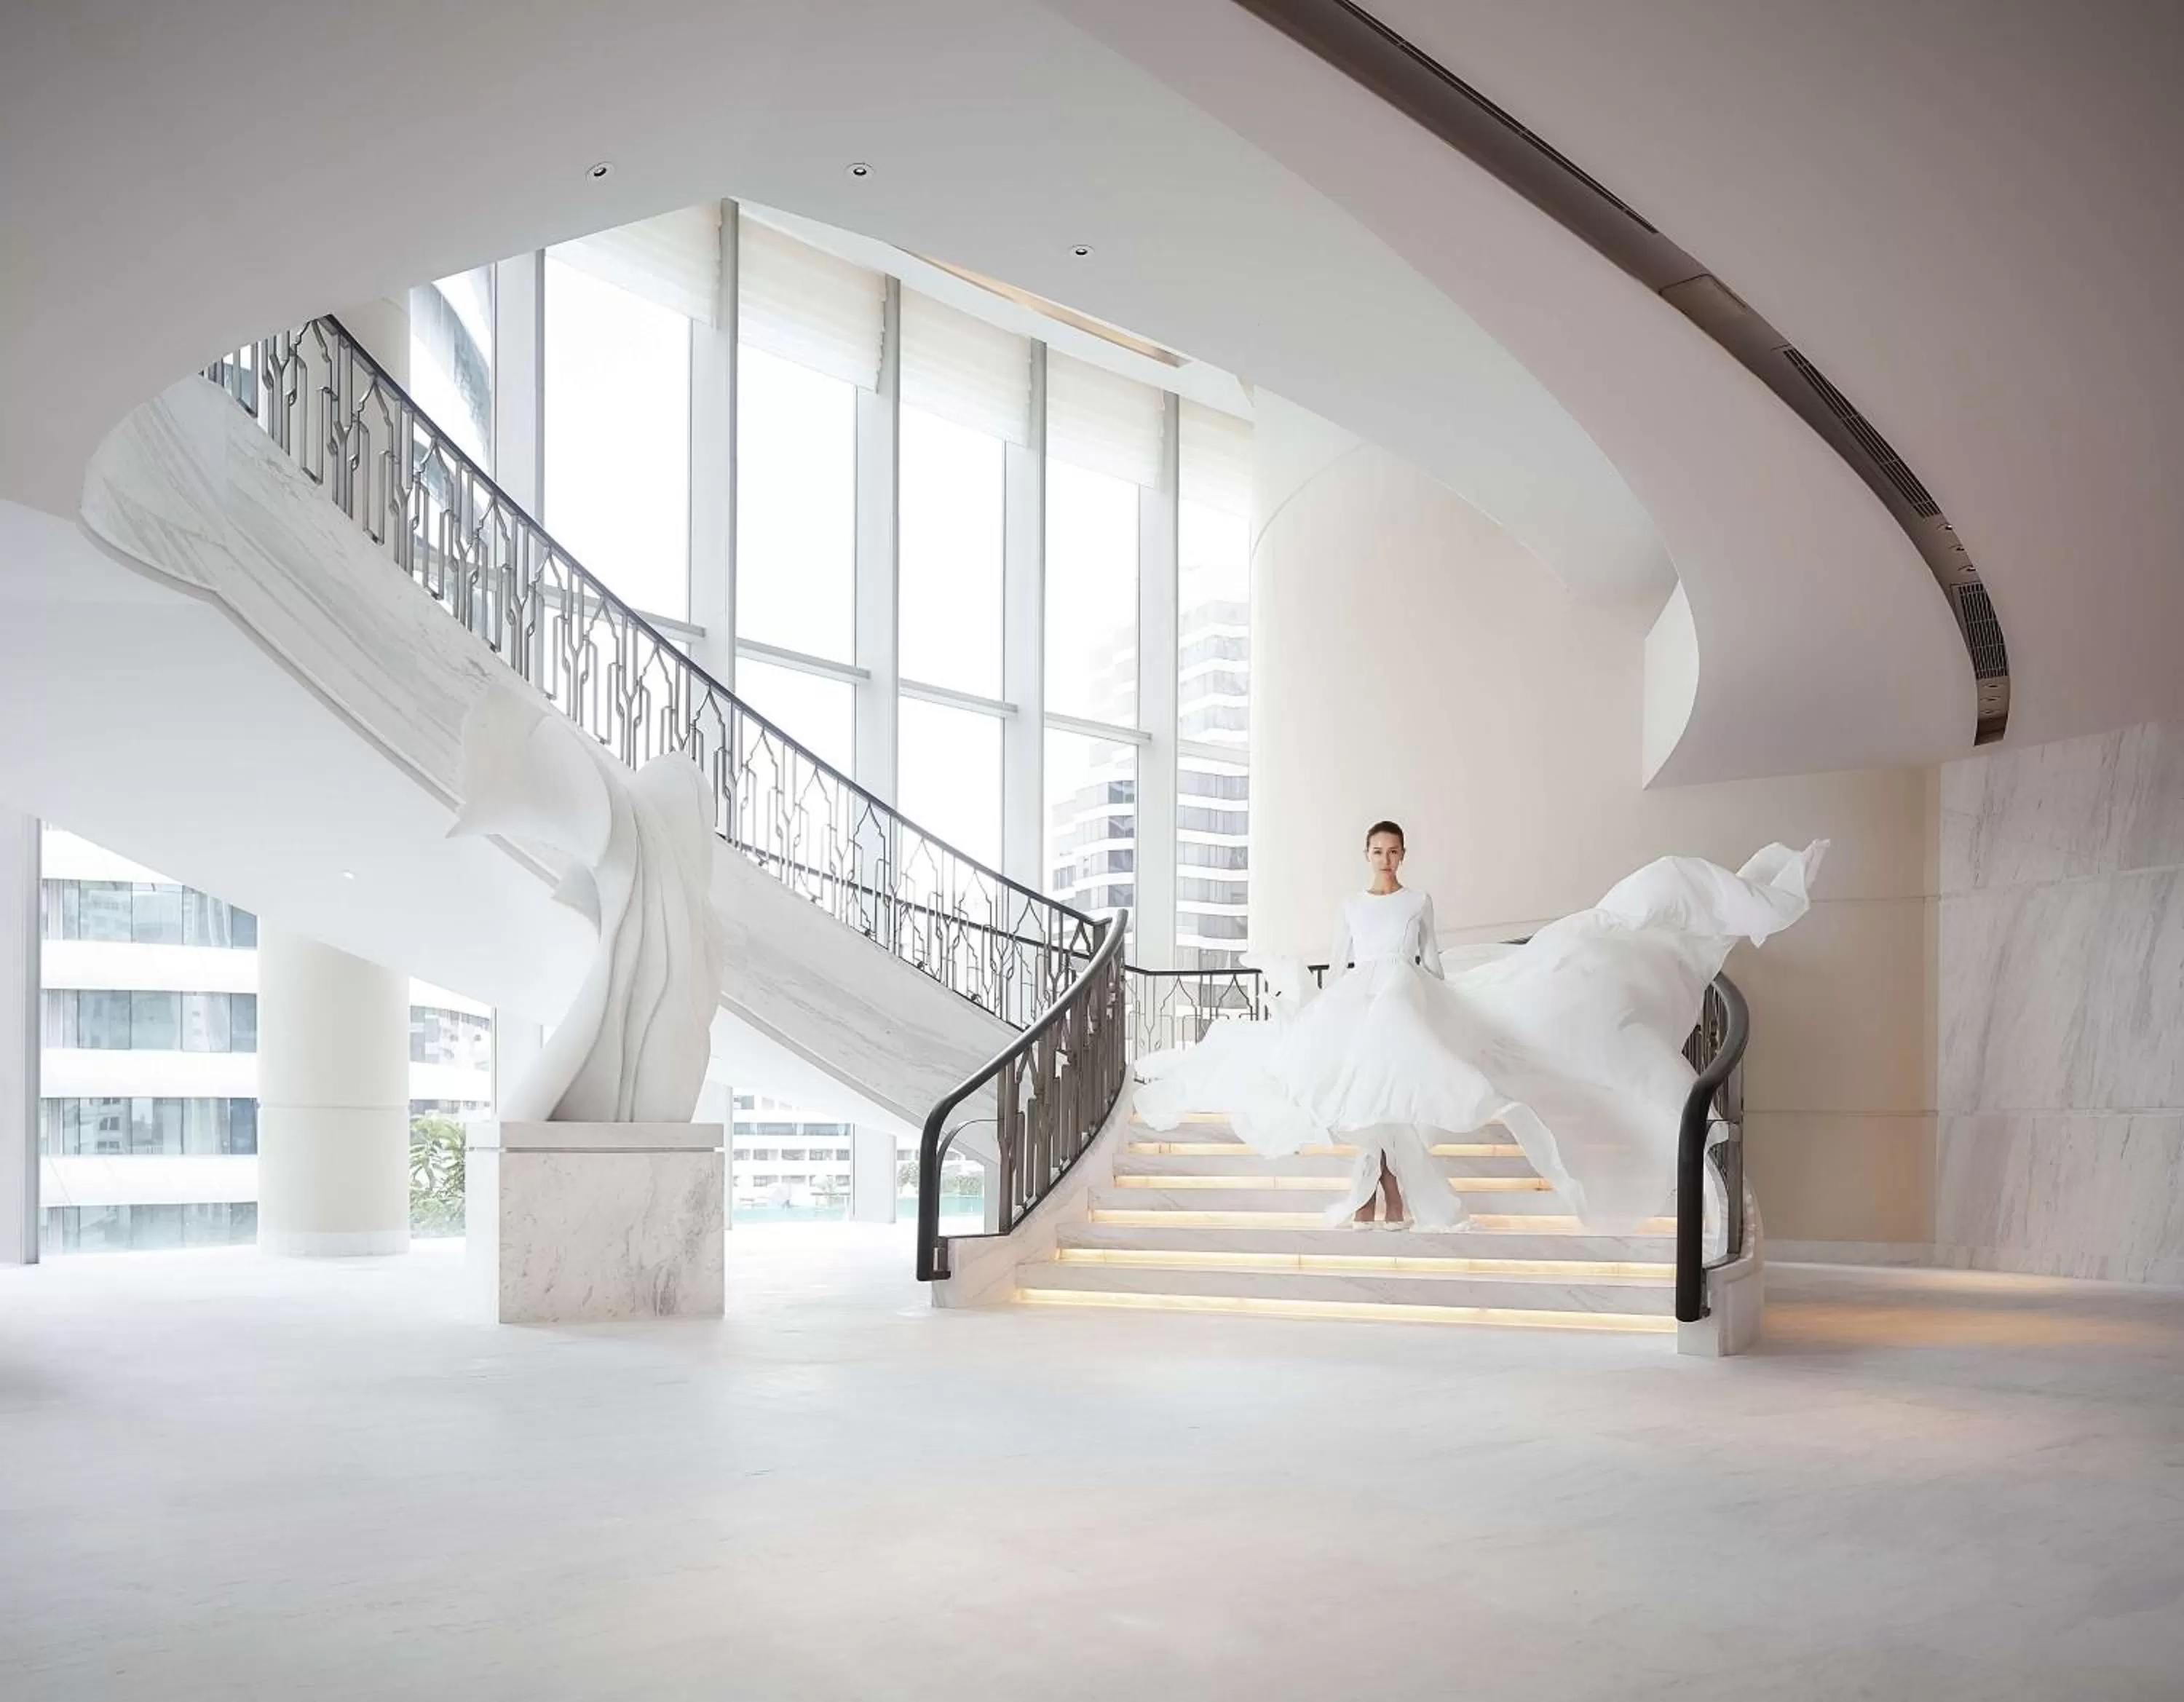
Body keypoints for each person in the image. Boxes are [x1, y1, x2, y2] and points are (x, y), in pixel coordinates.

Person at [1133, 823, 1828, 1236]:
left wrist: (1443, 997)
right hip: (1360, 990)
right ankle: (1381, 1189)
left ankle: (1393, 1191)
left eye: (1394, 850)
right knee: (1357, 1086)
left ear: (1403, 856)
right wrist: (1332, 999)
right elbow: (1343, 957)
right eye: (1378, 850)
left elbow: (1431, 958)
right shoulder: (1351, 903)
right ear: (1366, 854)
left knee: (1402, 1071)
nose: (1387, 859)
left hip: (1406, 985)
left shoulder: (1420, 900)